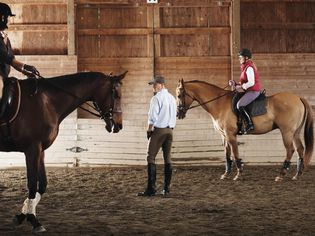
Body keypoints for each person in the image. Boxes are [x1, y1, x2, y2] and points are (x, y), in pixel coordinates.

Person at [138, 75, 177, 197]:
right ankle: (166, 189)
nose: (153, 87)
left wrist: (149, 129)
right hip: (170, 131)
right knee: (167, 159)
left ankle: (151, 189)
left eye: (155, 85)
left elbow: (152, 116)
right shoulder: (172, 98)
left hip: (159, 130)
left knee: (150, 157)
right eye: (153, 85)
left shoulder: (156, 98)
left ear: (162, 84)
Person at [0, 3, 39, 104]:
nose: (10, 20)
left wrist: (25, 72)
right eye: (8, 17)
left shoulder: (5, 38)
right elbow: (5, 57)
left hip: (4, 76)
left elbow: (12, 58)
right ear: (2, 17)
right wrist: (25, 66)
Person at [229, 48, 261, 134]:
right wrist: (235, 84)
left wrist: (242, 86)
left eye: (240, 57)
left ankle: (249, 124)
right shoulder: (245, 67)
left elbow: (251, 82)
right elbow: (243, 83)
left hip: (253, 91)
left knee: (240, 105)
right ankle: (240, 124)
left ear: (246, 58)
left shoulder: (249, 68)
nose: (239, 59)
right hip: (249, 91)